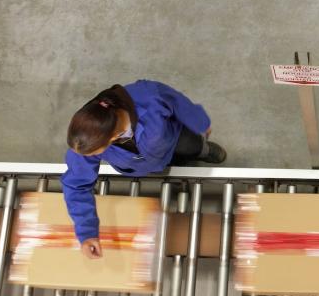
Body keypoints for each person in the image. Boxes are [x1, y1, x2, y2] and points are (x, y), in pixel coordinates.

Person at [62, 81, 226, 259]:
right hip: (139, 165)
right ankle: (172, 169)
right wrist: (87, 233)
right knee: (160, 169)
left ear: (112, 137)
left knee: (191, 146)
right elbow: (76, 185)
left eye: (96, 152)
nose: (87, 156)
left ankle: (204, 150)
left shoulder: (148, 97)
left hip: (173, 141)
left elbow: (175, 100)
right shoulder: (86, 140)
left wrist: (199, 121)